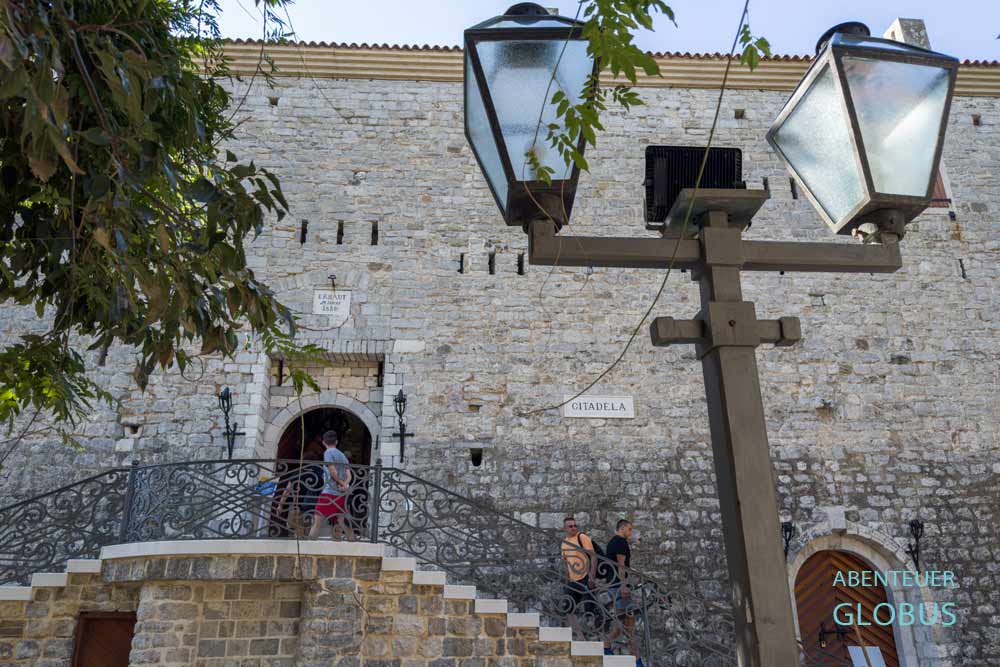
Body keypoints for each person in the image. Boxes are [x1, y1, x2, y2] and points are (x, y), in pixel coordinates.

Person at [605, 519, 642, 667]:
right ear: (622, 528)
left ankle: (635, 656)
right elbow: (621, 566)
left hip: (614, 585)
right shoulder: (620, 542)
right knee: (628, 619)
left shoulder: (612, 542)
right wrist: (623, 585)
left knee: (625, 620)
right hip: (618, 586)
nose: (630, 532)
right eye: (629, 529)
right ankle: (607, 645)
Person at [308, 430, 352, 540]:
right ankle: (353, 541)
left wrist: (341, 483)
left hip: (329, 493)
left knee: (317, 522)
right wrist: (345, 485)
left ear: (323, 442)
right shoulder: (343, 456)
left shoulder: (328, 453)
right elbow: (349, 475)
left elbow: (332, 471)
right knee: (342, 522)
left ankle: (306, 549)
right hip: (341, 494)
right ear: (336, 442)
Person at [560, 516, 598, 640]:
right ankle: (580, 636)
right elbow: (565, 561)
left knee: (590, 609)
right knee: (567, 607)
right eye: (570, 526)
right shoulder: (564, 543)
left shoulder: (582, 537)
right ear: (565, 528)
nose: (574, 528)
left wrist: (592, 577)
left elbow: (593, 556)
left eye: (575, 525)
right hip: (573, 580)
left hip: (585, 577)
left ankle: (595, 636)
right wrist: (567, 578)